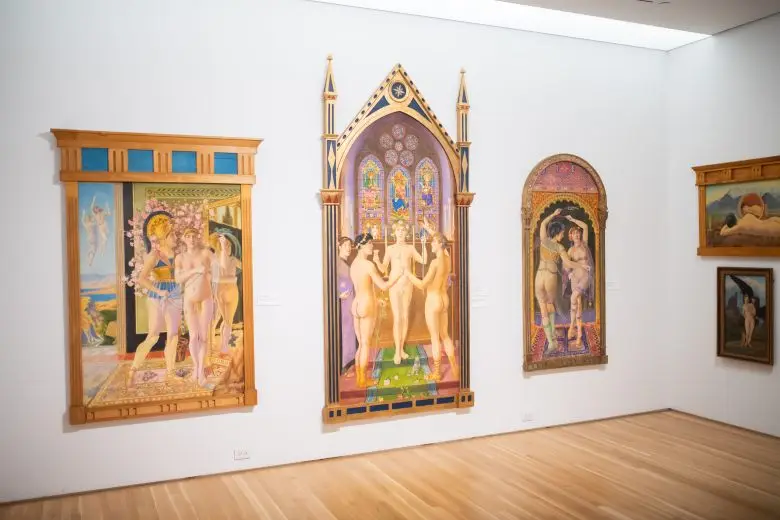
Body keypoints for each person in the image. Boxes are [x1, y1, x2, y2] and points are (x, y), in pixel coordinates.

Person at [127, 212, 183, 387]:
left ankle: (170, 372)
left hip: (175, 295)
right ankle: (133, 369)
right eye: (173, 235)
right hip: (157, 297)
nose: (176, 237)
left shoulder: (178, 255)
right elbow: (142, 279)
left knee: (173, 335)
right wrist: (159, 291)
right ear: (164, 237)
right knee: (153, 336)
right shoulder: (154, 256)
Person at [350, 233, 403, 388]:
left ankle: (359, 378)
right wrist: (397, 277)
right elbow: (384, 286)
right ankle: (362, 380)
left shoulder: (354, 264)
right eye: (369, 244)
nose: (372, 246)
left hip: (356, 304)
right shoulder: (368, 265)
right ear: (361, 246)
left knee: (361, 344)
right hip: (367, 305)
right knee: (366, 344)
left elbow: (363, 286)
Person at [534, 209, 589, 352]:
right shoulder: (560, 247)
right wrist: (581, 265)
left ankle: (551, 340)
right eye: (562, 233)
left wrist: (553, 214)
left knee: (543, 310)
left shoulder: (544, 240)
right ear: (557, 232)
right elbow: (569, 263)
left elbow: (543, 223)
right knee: (550, 306)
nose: (563, 235)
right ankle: (552, 341)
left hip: (539, 277)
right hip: (550, 278)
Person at [406, 231, 457, 382]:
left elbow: (422, 284)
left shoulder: (435, 263)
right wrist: (432, 231)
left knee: (435, 338)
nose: (431, 244)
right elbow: (444, 245)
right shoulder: (448, 258)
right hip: (444, 299)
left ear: (440, 244)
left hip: (433, 300)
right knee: (445, 335)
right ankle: (455, 368)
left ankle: (437, 372)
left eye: (434, 242)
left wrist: (408, 274)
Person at [374, 221, 426, 365]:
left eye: (403, 230)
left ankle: (401, 348)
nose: (401, 232)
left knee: (405, 317)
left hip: (407, 284)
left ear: (406, 232)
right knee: (397, 318)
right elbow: (383, 268)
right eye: (398, 230)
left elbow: (423, 260)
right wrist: (377, 261)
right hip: (394, 285)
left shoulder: (410, 248)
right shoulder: (390, 249)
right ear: (394, 232)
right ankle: (397, 351)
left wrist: (423, 244)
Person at [175, 227, 215, 387]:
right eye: (188, 236)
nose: (191, 239)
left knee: (203, 337)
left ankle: (201, 372)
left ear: (197, 237)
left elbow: (221, 266)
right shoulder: (180, 257)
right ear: (184, 239)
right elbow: (178, 279)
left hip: (206, 298)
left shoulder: (206, 253)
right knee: (193, 336)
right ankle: (196, 368)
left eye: (193, 236)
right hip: (189, 300)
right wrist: (196, 270)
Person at [563, 215, 594, 348]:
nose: (576, 235)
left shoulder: (584, 244)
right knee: (578, 303)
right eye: (573, 233)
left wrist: (573, 220)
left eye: (577, 232)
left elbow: (585, 226)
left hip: (585, 277)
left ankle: (571, 326)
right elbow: (566, 264)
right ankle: (579, 332)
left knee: (574, 298)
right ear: (570, 236)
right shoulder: (570, 250)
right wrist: (569, 272)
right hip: (575, 278)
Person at [212, 230, 242, 354]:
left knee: (227, 320)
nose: (228, 247)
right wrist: (223, 248)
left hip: (229, 291)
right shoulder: (216, 260)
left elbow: (247, 267)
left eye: (229, 245)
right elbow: (222, 268)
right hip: (223, 292)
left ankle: (224, 346)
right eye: (225, 245)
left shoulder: (233, 260)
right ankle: (219, 344)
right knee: (223, 319)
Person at [337, 237, 357, 371]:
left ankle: (350, 360)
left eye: (350, 245)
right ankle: (343, 362)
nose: (348, 248)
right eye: (345, 245)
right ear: (339, 246)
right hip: (342, 303)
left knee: (350, 330)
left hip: (350, 301)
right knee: (344, 331)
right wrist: (337, 295)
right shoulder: (336, 263)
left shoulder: (349, 262)